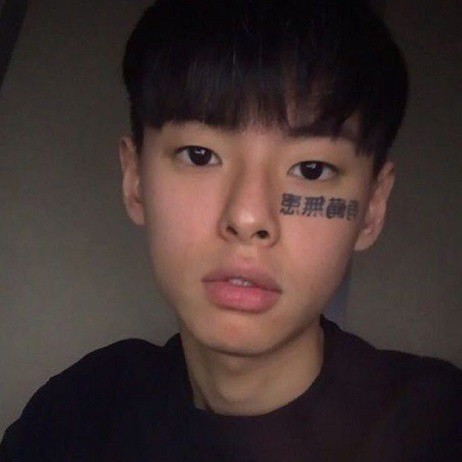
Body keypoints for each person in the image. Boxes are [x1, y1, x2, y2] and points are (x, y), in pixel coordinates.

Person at [1, 0, 460, 460]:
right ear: (135, 180)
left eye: (312, 169)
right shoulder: (76, 417)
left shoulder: (439, 427)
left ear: (373, 207)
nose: (248, 218)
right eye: (200, 156)